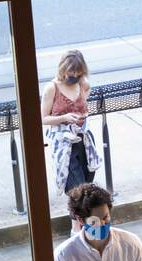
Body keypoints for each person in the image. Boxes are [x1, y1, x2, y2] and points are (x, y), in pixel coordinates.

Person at [42, 50, 100, 196]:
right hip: (64, 142)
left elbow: (86, 92)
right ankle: (81, 217)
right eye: (71, 74)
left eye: (78, 74)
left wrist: (81, 112)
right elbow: (43, 119)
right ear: (63, 70)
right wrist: (65, 117)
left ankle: (79, 217)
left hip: (84, 138)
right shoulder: (52, 88)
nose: (74, 77)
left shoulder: (82, 83)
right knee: (78, 191)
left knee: (86, 186)